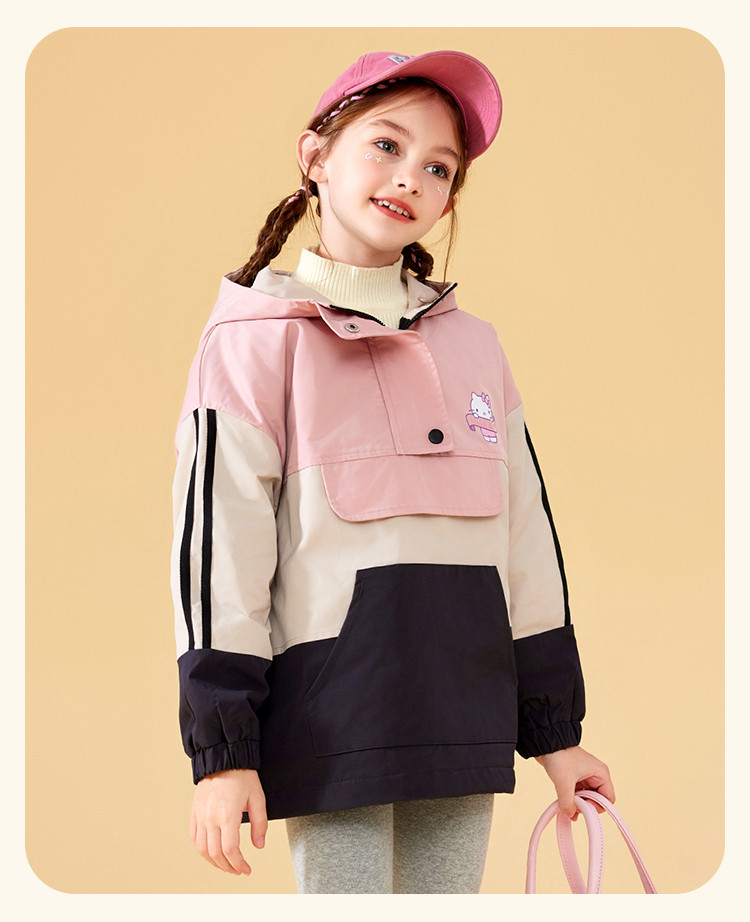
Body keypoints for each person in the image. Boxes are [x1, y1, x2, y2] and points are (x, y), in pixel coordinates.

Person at [171, 49, 614, 894]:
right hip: (334, 714)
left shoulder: (475, 346)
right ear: (315, 156)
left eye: (439, 167)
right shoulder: (253, 341)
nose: (411, 176)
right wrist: (223, 753)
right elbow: (217, 556)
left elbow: (527, 543)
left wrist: (556, 734)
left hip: (464, 709)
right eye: (386, 144)